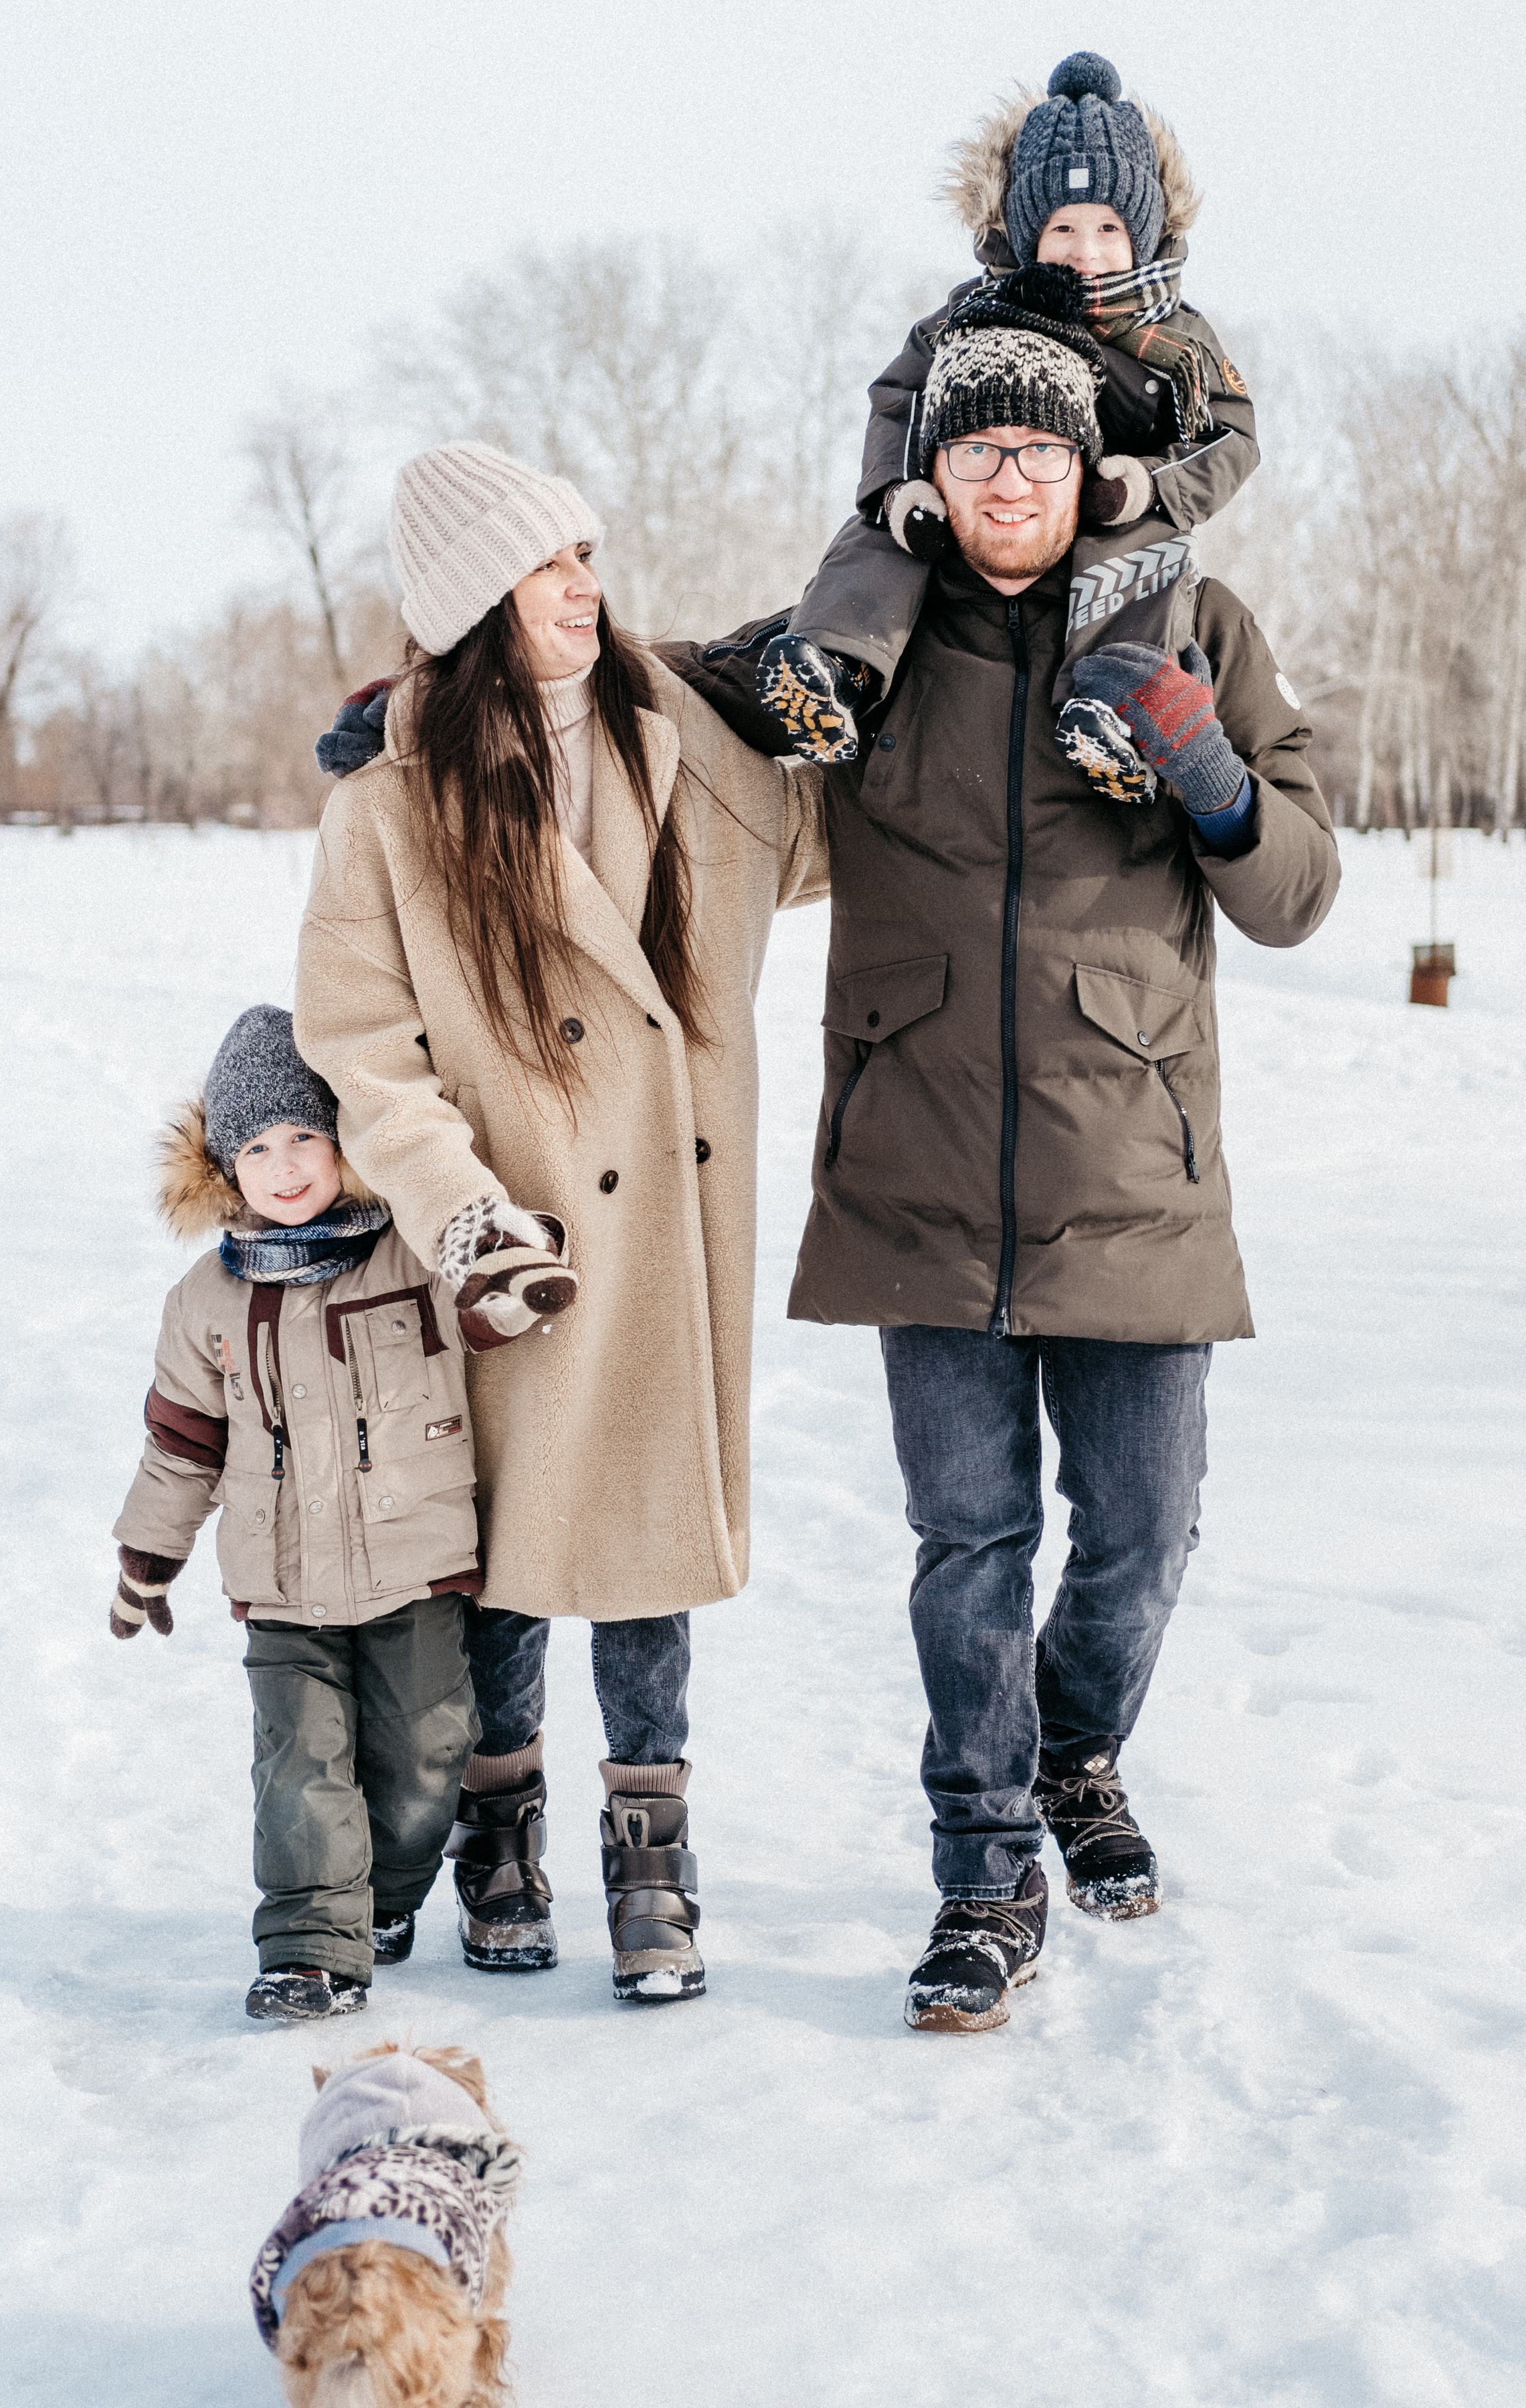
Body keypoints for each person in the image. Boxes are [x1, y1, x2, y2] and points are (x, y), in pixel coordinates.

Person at [660, 284, 1340, 2033]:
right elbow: (650, 704)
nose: (1006, 480)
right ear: (933, 471)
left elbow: (1295, 893)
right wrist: (459, 697)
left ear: (1083, 458)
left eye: (1035, 447)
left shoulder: (1190, 619)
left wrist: (1204, 772)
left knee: (1141, 1533)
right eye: (974, 449)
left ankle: (1075, 1752)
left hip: (1133, 1169)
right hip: (919, 1172)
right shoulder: (868, 645)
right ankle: (982, 1872)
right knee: (963, 1547)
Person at [296, 441, 826, 2005]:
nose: (585, 586)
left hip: (665, 1215)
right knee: (514, 1552)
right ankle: (499, 1822)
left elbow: (838, 834)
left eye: (588, 554)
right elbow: (362, 1047)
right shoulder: (391, 810)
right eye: (548, 565)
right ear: (474, 602)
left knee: (647, 1543)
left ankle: (650, 1851)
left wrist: (845, 704)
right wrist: (465, 1215)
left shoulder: (693, 743)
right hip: (517, 1233)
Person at [108, 1005, 496, 2023]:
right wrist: (148, 1554)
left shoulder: (411, 1253)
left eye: (304, 1139)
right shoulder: (206, 1297)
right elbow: (183, 1441)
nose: (283, 1168)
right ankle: (310, 1947)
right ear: (223, 1166)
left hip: (417, 1570)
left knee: (425, 1755)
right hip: (281, 1587)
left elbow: (499, 1318)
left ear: (344, 1143)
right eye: (256, 1147)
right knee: (299, 1766)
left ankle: (386, 1899)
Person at [754, 48, 1258, 800]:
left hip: (1117, 504)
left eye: (1108, 229)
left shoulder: (1177, 339)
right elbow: (899, 398)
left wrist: (1149, 485)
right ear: (1026, 234)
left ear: (1144, 234)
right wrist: (899, 492)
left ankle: (1111, 708)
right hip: (995, 491)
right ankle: (837, 665)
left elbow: (1233, 436)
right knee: (891, 538)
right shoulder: (976, 311)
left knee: (1146, 562)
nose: (1085, 252)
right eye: (1062, 229)